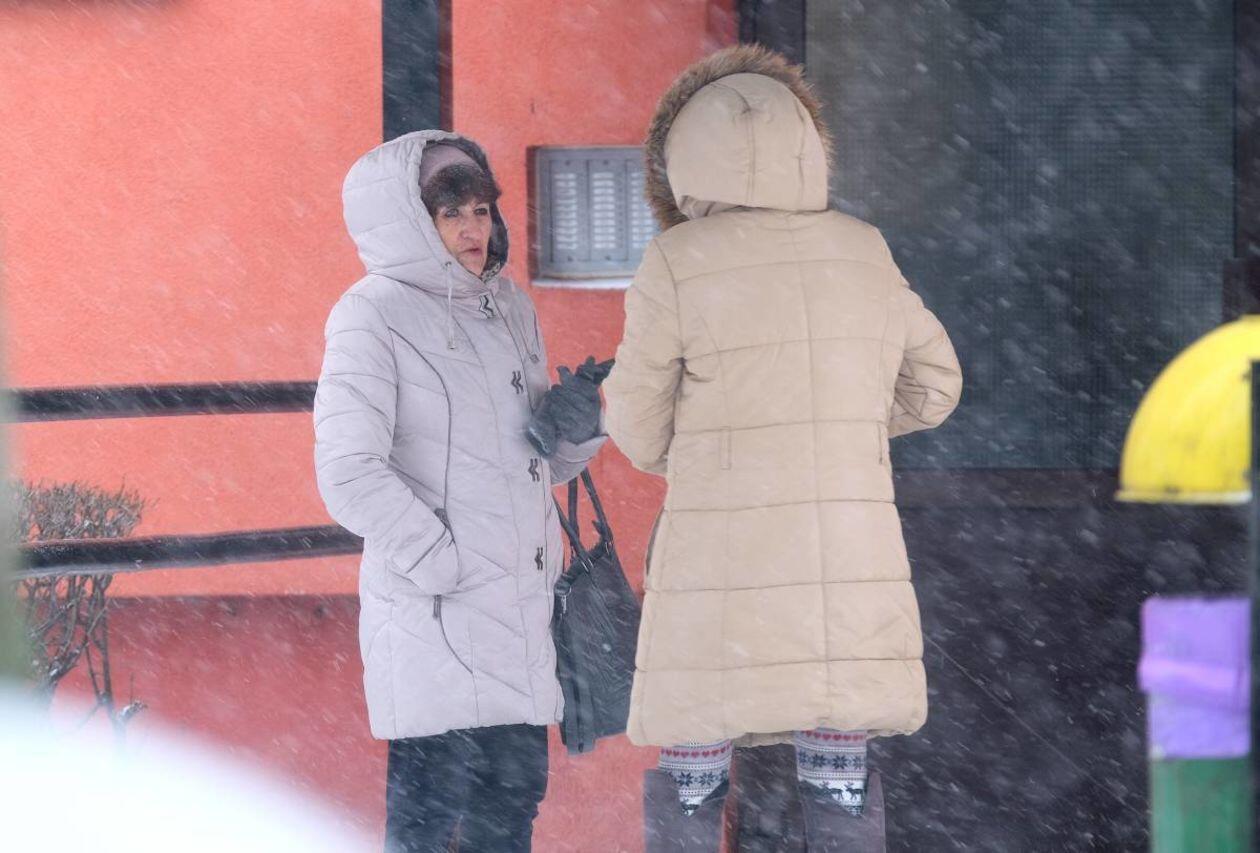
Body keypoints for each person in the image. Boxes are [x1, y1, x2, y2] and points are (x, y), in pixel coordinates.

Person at [604, 45, 963, 852]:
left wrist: (709, 454)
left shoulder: (678, 261)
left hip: (716, 562)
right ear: (807, 149)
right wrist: (841, 434)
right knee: (838, 767)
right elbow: (937, 384)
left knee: (694, 766)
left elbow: (634, 423)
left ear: (683, 159)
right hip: (845, 554)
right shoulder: (862, 248)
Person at [313, 131, 607, 852]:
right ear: (410, 220)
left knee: (509, 818)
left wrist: (573, 428)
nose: (474, 228)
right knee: (431, 825)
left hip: (520, 618)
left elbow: (535, 464)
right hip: (436, 622)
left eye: (481, 209)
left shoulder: (508, 307)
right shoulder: (371, 314)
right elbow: (348, 471)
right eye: (451, 214)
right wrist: (442, 560)